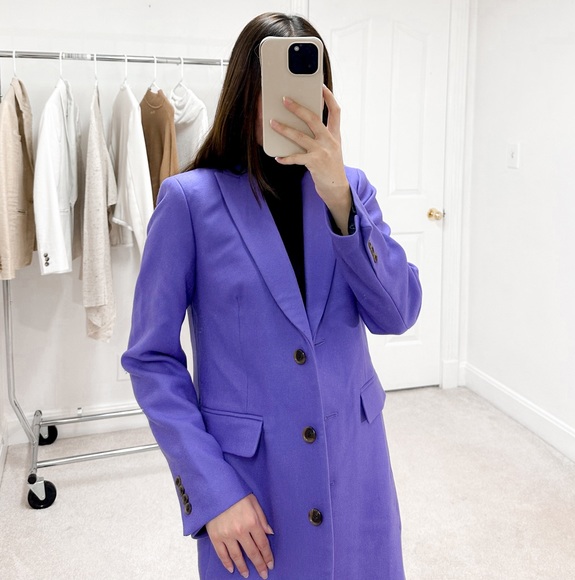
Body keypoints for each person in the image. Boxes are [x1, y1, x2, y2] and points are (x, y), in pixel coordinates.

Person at [122, 11, 422, 580]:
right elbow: (150, 359)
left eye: (303, 88)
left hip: (355, 469)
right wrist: (212, 492)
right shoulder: (189, 202)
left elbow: (398, 313)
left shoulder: (351, 190)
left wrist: (338, 197)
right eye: (272, 88)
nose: (288, 105)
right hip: (252, 490)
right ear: (244, 93)